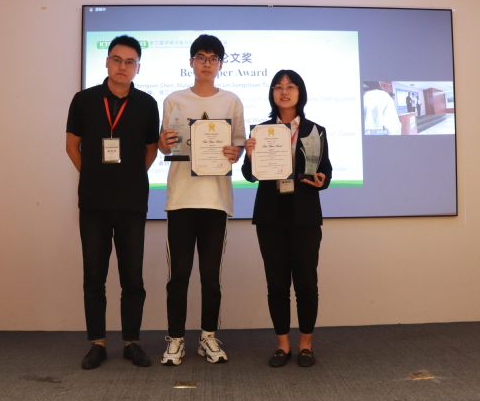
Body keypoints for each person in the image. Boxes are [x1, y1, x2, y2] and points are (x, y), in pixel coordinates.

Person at [66, 35, 159, 370]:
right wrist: (94, 175)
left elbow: (151, 149)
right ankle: (98, 343)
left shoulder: (147, 104)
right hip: (94, 203)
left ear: (137, 68)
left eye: (130, 62)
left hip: (132, 202)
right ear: (107, 62)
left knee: (132, 277)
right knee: (94, 276)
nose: (123, 67)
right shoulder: (84, 100)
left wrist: (130, 176)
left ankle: (132, 342)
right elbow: (72, 145)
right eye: (117, 60)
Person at [157, 34, 246, 366]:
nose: (206, 64)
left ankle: (208, 337)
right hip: (181, 199)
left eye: (213, 58)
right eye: (201, 57)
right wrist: (164, 143)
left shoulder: (232, 101)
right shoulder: (174, 100)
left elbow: (238, 147)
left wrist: (235, 152)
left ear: (220, 64)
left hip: (216, 200)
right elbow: (165, 146)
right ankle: (176, 340)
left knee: (210, 276)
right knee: (178, 275)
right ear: (191, 62)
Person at [241, 70, 332, 368]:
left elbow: (326, 171)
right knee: (277, 285)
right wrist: (250, 155)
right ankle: (282, 345)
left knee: (306, 283)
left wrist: (322, 179)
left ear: (299, 92)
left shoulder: (315, 130)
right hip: (270, 216)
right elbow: (249, 176)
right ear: (272, 93)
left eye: (290, 86)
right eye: (278, 87)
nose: (284, 91)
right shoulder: (260, 130)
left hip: (305, 216)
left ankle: (305, 344)